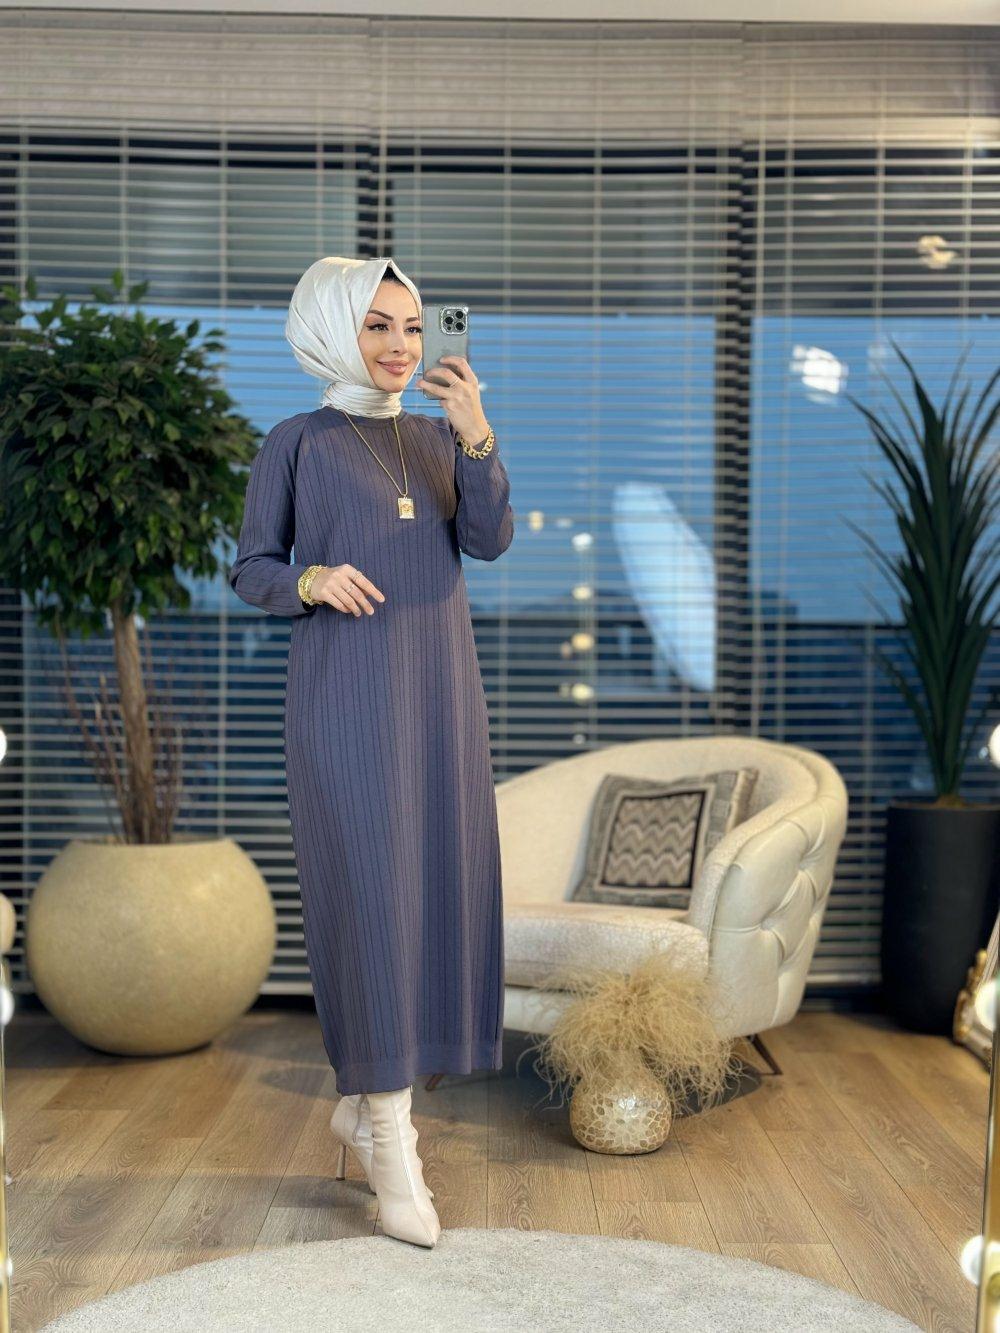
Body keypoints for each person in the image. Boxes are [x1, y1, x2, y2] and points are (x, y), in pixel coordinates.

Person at [228, 255, 514, 1249]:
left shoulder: (439, 438)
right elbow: (252, 566)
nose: (400, 345)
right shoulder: (297, 442)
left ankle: (366, 1107)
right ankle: (390, 1134)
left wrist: (476, 431)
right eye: (377, 325)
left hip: (441, 699)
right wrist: (310, 582)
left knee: (432, 892)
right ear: (332, 328)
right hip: (345, 701)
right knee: (371, 899)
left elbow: (490, 539)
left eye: (412, 326)